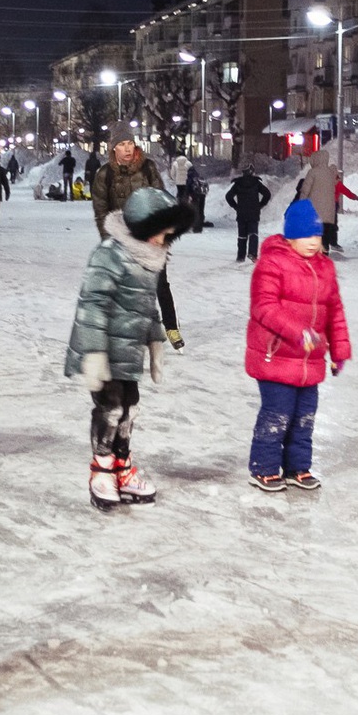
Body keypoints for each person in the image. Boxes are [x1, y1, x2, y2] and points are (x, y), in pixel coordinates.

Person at [67, 186, 194, 510]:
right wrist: (94, 354)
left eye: (169, 234)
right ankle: (102, 470)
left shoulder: (149, 257)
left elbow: (147, 306)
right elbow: (92, 304)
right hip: (104, 351)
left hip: (129, 352)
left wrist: (155, 341)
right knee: (109, 409)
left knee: (129, 409)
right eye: (159, 232)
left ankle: (122, 468)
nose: (162, 240)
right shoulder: (109, 253)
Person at [246, 198, 351, 493]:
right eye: (305, 236)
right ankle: (264, 468)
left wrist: (339, 351)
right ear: (290, 236)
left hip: (310, 360)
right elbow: (263, 307)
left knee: (304, 416)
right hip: (276, 355)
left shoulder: (325, 268)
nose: (312, 242)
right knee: (278, 414)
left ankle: (297, 468)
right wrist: (297, 332)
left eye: (317, 235)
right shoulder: (272, 264)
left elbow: (335, 311)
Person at [90, 122, 182, 348]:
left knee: (160, 285)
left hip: (150, 238)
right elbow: (101, 212)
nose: (128, 148)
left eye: (130, 143)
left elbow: (160, 199)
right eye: (122, 144)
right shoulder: (104, 175)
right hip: (123, 241)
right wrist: (109, 242)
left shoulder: (148, 168)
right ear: (113, 148)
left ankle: (171, 327)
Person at [297, 150, 358, 253]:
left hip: (316, 211)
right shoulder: (330, 174)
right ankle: (325, 253)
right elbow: (341, 186)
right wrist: (355, 197)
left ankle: (314, 254)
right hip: (330, 210)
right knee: (326, 232)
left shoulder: (313, 172)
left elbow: (305, 190)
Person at [225, 166, 273, 262]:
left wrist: (235, 206)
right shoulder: (256, 183)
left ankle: (240, 256)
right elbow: (267, 194)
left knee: (242, 235)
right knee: (253, 234)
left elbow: (228, 196)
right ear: (251, 172)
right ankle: (252, 254)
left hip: (241, 213)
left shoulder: (238, 184)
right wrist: (261, 205)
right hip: (253, 212)